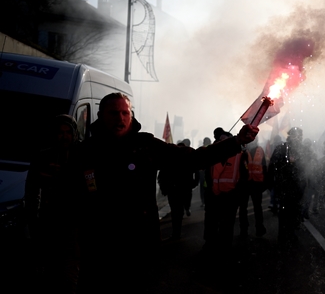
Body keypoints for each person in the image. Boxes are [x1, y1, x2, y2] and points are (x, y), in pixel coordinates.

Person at [66, 93, 257, 292]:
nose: (120, 118)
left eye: (125, 113)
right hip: (98, 249)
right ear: (101, 115)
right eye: (114, 113)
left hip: (140, 248)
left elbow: (192, 159)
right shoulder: (84, 152)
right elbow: (71, 201)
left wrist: (236, 142)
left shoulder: (146, 146)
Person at [25, 114, 80, 292]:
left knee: (69, 274)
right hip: (48, 223)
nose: (64, 136)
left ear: (74, 134)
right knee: (47, 273)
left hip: (74, 225)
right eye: (60, 132)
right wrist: (33, 221)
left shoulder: (81, 157)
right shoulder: (43, 157)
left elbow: (91, 187)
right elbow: (32, 191)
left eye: (67, 132)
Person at [202, 128, 249, 259]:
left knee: (225, 223)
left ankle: (222, 248)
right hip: (216, 195)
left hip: (229, 195)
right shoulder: (213, 152)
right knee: (214, 222)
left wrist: (239, 193)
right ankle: (214, 245)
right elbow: (209, 174)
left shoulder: (240, 154)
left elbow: (244, 175)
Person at [268, 127, 310, 243]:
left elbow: (309, 167)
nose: (299, 138)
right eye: (296, 135)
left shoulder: (303, 150)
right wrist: (271, 184)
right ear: (290, 136)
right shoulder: (281, 149)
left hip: (298, 187)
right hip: (284, 187)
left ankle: (291, 234)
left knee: (295, 211)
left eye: (300, 136)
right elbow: (272, 167)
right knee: (284, 211)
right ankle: (283, 236)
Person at [157, 139, 199, 240]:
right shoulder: (189, 159)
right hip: (183, 188)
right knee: (178, 211)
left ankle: (176, 233)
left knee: (175, 211)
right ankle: (177, 232)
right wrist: (194, 183)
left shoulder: (168, 160)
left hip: (174, 190)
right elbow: (197, 171)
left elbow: (161, 176)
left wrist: (164, 188)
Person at [239, 137, 267, 238]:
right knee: (244, 208)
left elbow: (264, 167)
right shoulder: (242, 152)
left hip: (256, 183)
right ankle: (244, 230)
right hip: (245, 184)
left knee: (257, 208)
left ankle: (259, 228)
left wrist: (264, 183)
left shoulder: (260, 150)